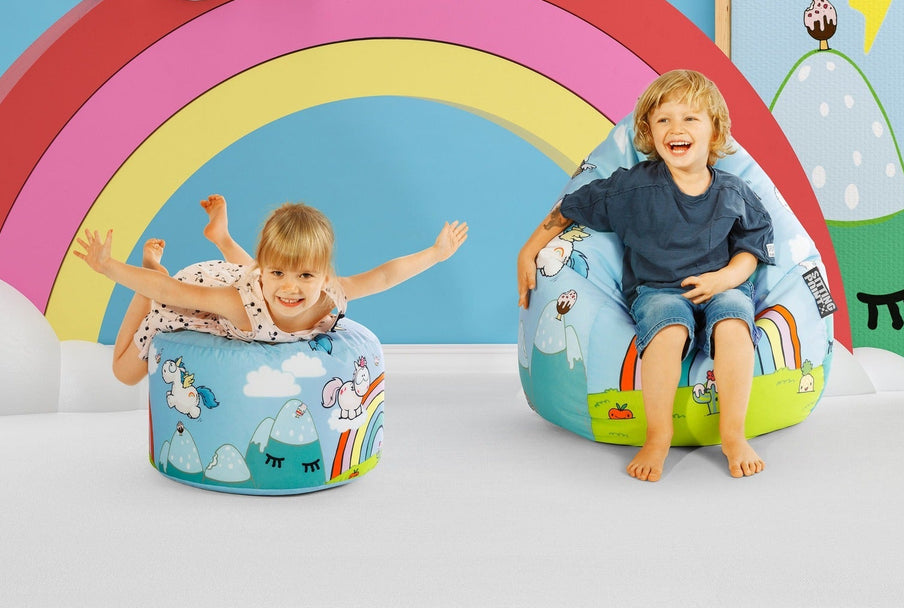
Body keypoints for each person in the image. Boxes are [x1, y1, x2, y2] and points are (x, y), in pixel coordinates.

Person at [516, 69, 773, 482]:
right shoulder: (633, 189)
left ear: (715, 130)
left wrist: (724, 279)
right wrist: (528, 251)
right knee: (668, 332)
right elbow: (569, 207)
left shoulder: (733, 191)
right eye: (664, 119)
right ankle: (658, 436)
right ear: (650, 133)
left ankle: (732, 434)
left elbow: (753, 249)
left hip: (723, 286)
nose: (677, 128)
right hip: (659, 291)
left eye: (691, 118)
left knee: (734, 326)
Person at [75, 194, 468, 385]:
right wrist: (110, 267)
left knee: (268, 279)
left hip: (248, 276)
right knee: (124, 373)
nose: (293, 289)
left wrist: (437, 253)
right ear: (264, 269)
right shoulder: (239, 306)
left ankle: (222, 237)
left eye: (307, 277)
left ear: (325, 275)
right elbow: (176, 293)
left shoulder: (330, 294)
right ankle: (148, 278)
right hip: (191, 289)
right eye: (278, 272)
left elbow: (384, 276)